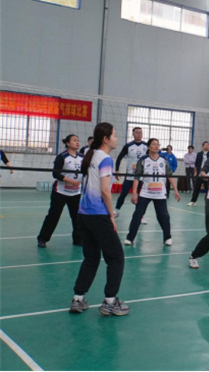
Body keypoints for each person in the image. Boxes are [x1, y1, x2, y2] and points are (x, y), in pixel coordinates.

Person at [70, 122, 129, 316]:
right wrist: (111, 214)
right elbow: (105, 190)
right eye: (114, 135)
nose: (117, 138)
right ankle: (110, 301)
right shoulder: (105, 159)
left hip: (83, 215)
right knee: (116, 257)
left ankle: (78, 298)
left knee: (91, 258)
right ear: (106, 139)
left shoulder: (91, 154)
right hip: (98, 215)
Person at [125, 139, 181, 246]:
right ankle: (130, 238)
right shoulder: (143, 160)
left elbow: (169, 175)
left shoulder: (163, 160)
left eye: (157, 144)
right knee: (137, 215)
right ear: (148, 147)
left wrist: (176, 190)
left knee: (164, 216)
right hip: (145, 193)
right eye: (153, 144)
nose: (156, 146)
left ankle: (167, 237)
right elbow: (136, 178)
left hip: (160, 193)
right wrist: (134, 193)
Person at [37, 134, 84, 248]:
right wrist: (69, 180)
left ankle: (78, 239)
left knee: (77, 217)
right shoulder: (62, 157)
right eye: (74, 140)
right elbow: (55, 174)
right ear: (67, 143)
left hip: (75, 193)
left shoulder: (82, 157)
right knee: (53, 216)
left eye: (78, 140)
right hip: (60, 192)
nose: (77, 142)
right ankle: (43, 238)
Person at [114, 127, 148, 221]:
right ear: (133, 134)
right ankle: (116, 211)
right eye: (137, 132)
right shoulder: (128, 146)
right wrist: (117, 170)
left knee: (141, 197)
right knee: (123, 194)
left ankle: (140, 215)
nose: (139, 134)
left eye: (140, 132)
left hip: (141, 177)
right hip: (130, 175)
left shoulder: (146, 146)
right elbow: (119, 158)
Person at [188, 141, 209, 206]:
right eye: (205, 145)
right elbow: (196, 164)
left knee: (208, 189)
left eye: (208, 145)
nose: (207, 146)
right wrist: (195, 172)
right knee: (196, 188)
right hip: (200, 174)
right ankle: (193, 201)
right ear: (203, 146)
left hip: (207, 174)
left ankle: (207, 201)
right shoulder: (199, 154)